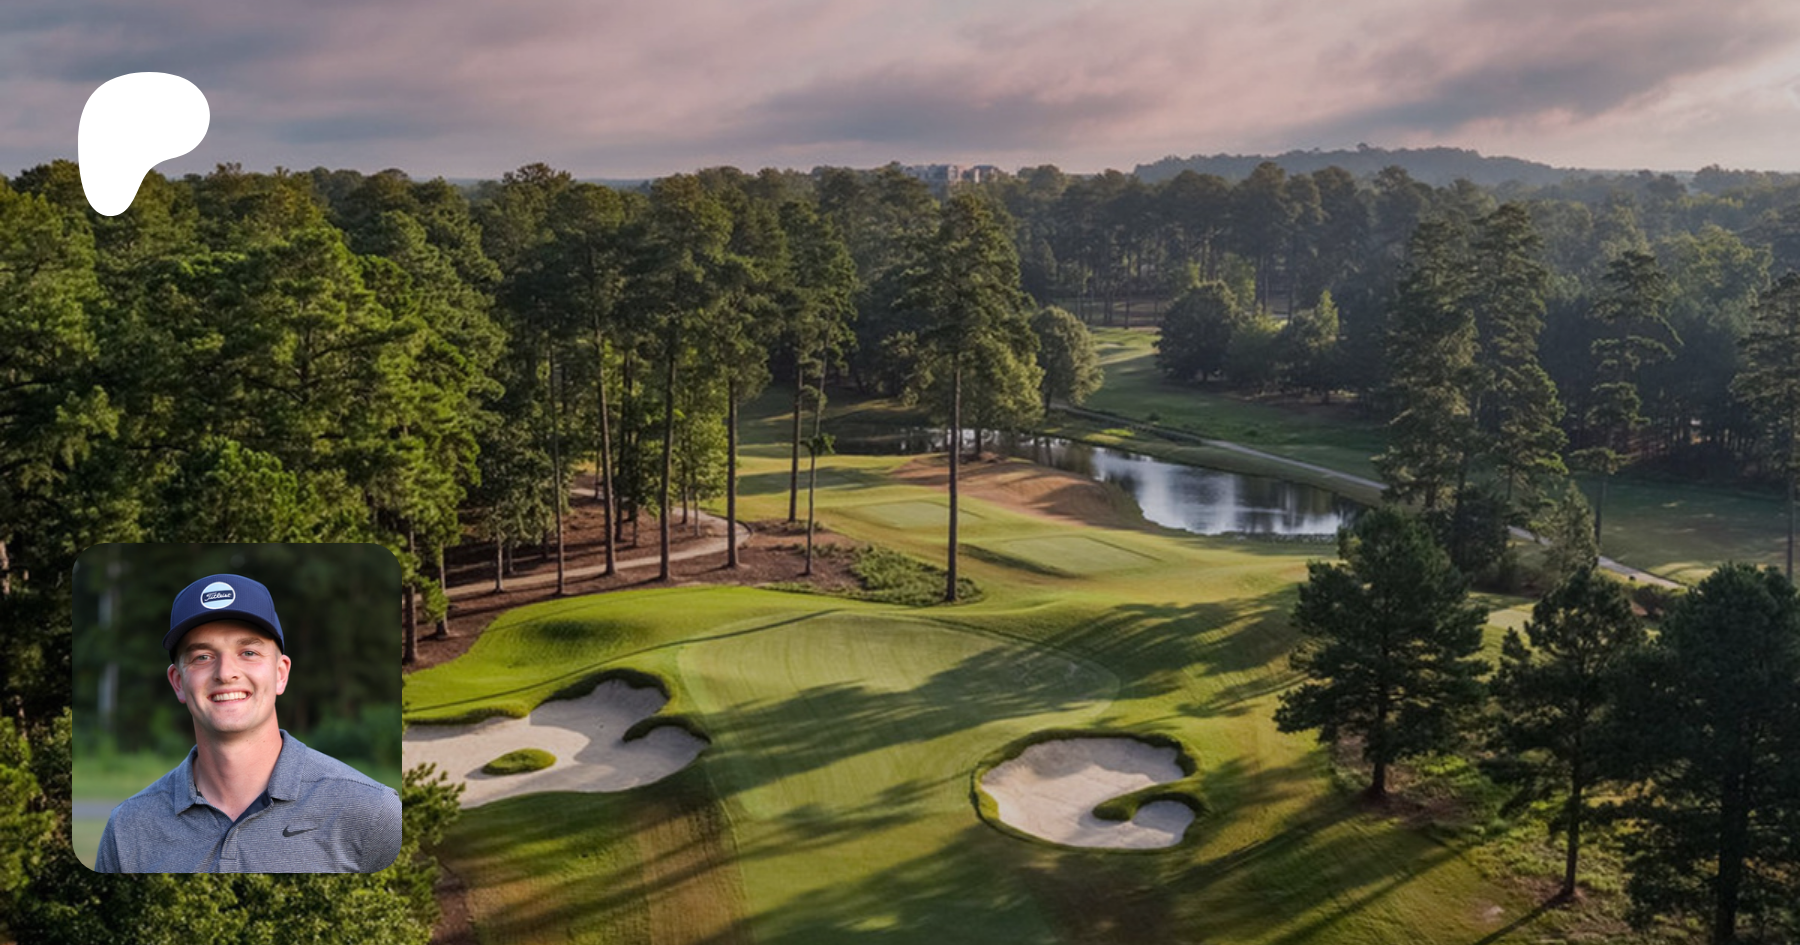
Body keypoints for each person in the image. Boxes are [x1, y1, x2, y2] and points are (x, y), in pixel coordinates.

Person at [93, 573, 402, 873]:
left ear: (280, 673)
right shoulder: (128, 829)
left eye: (249, 652)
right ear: (178, 682)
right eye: (202, 657)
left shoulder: (371, 813)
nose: (225, 673)